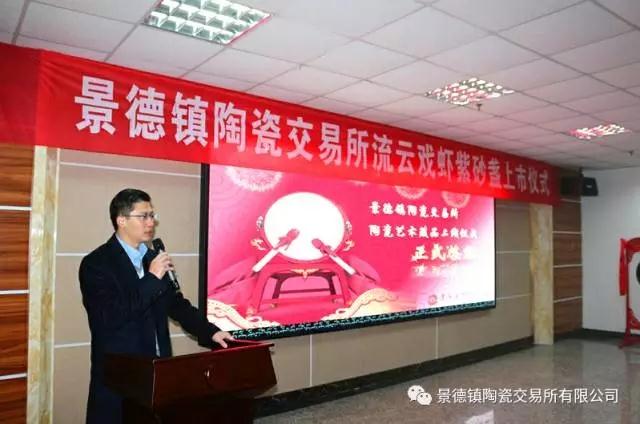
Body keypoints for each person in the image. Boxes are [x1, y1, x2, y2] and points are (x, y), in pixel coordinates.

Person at [79, 188, 234, 424]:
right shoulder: (96, 264)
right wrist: (151, 279)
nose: (151, 222)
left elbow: (177, 305)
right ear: (121, 220)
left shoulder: (153, 259)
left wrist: (210, 331)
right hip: (120, 376)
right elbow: (109, 316)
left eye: (152, 215)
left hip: (158, 372)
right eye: (143, 216)